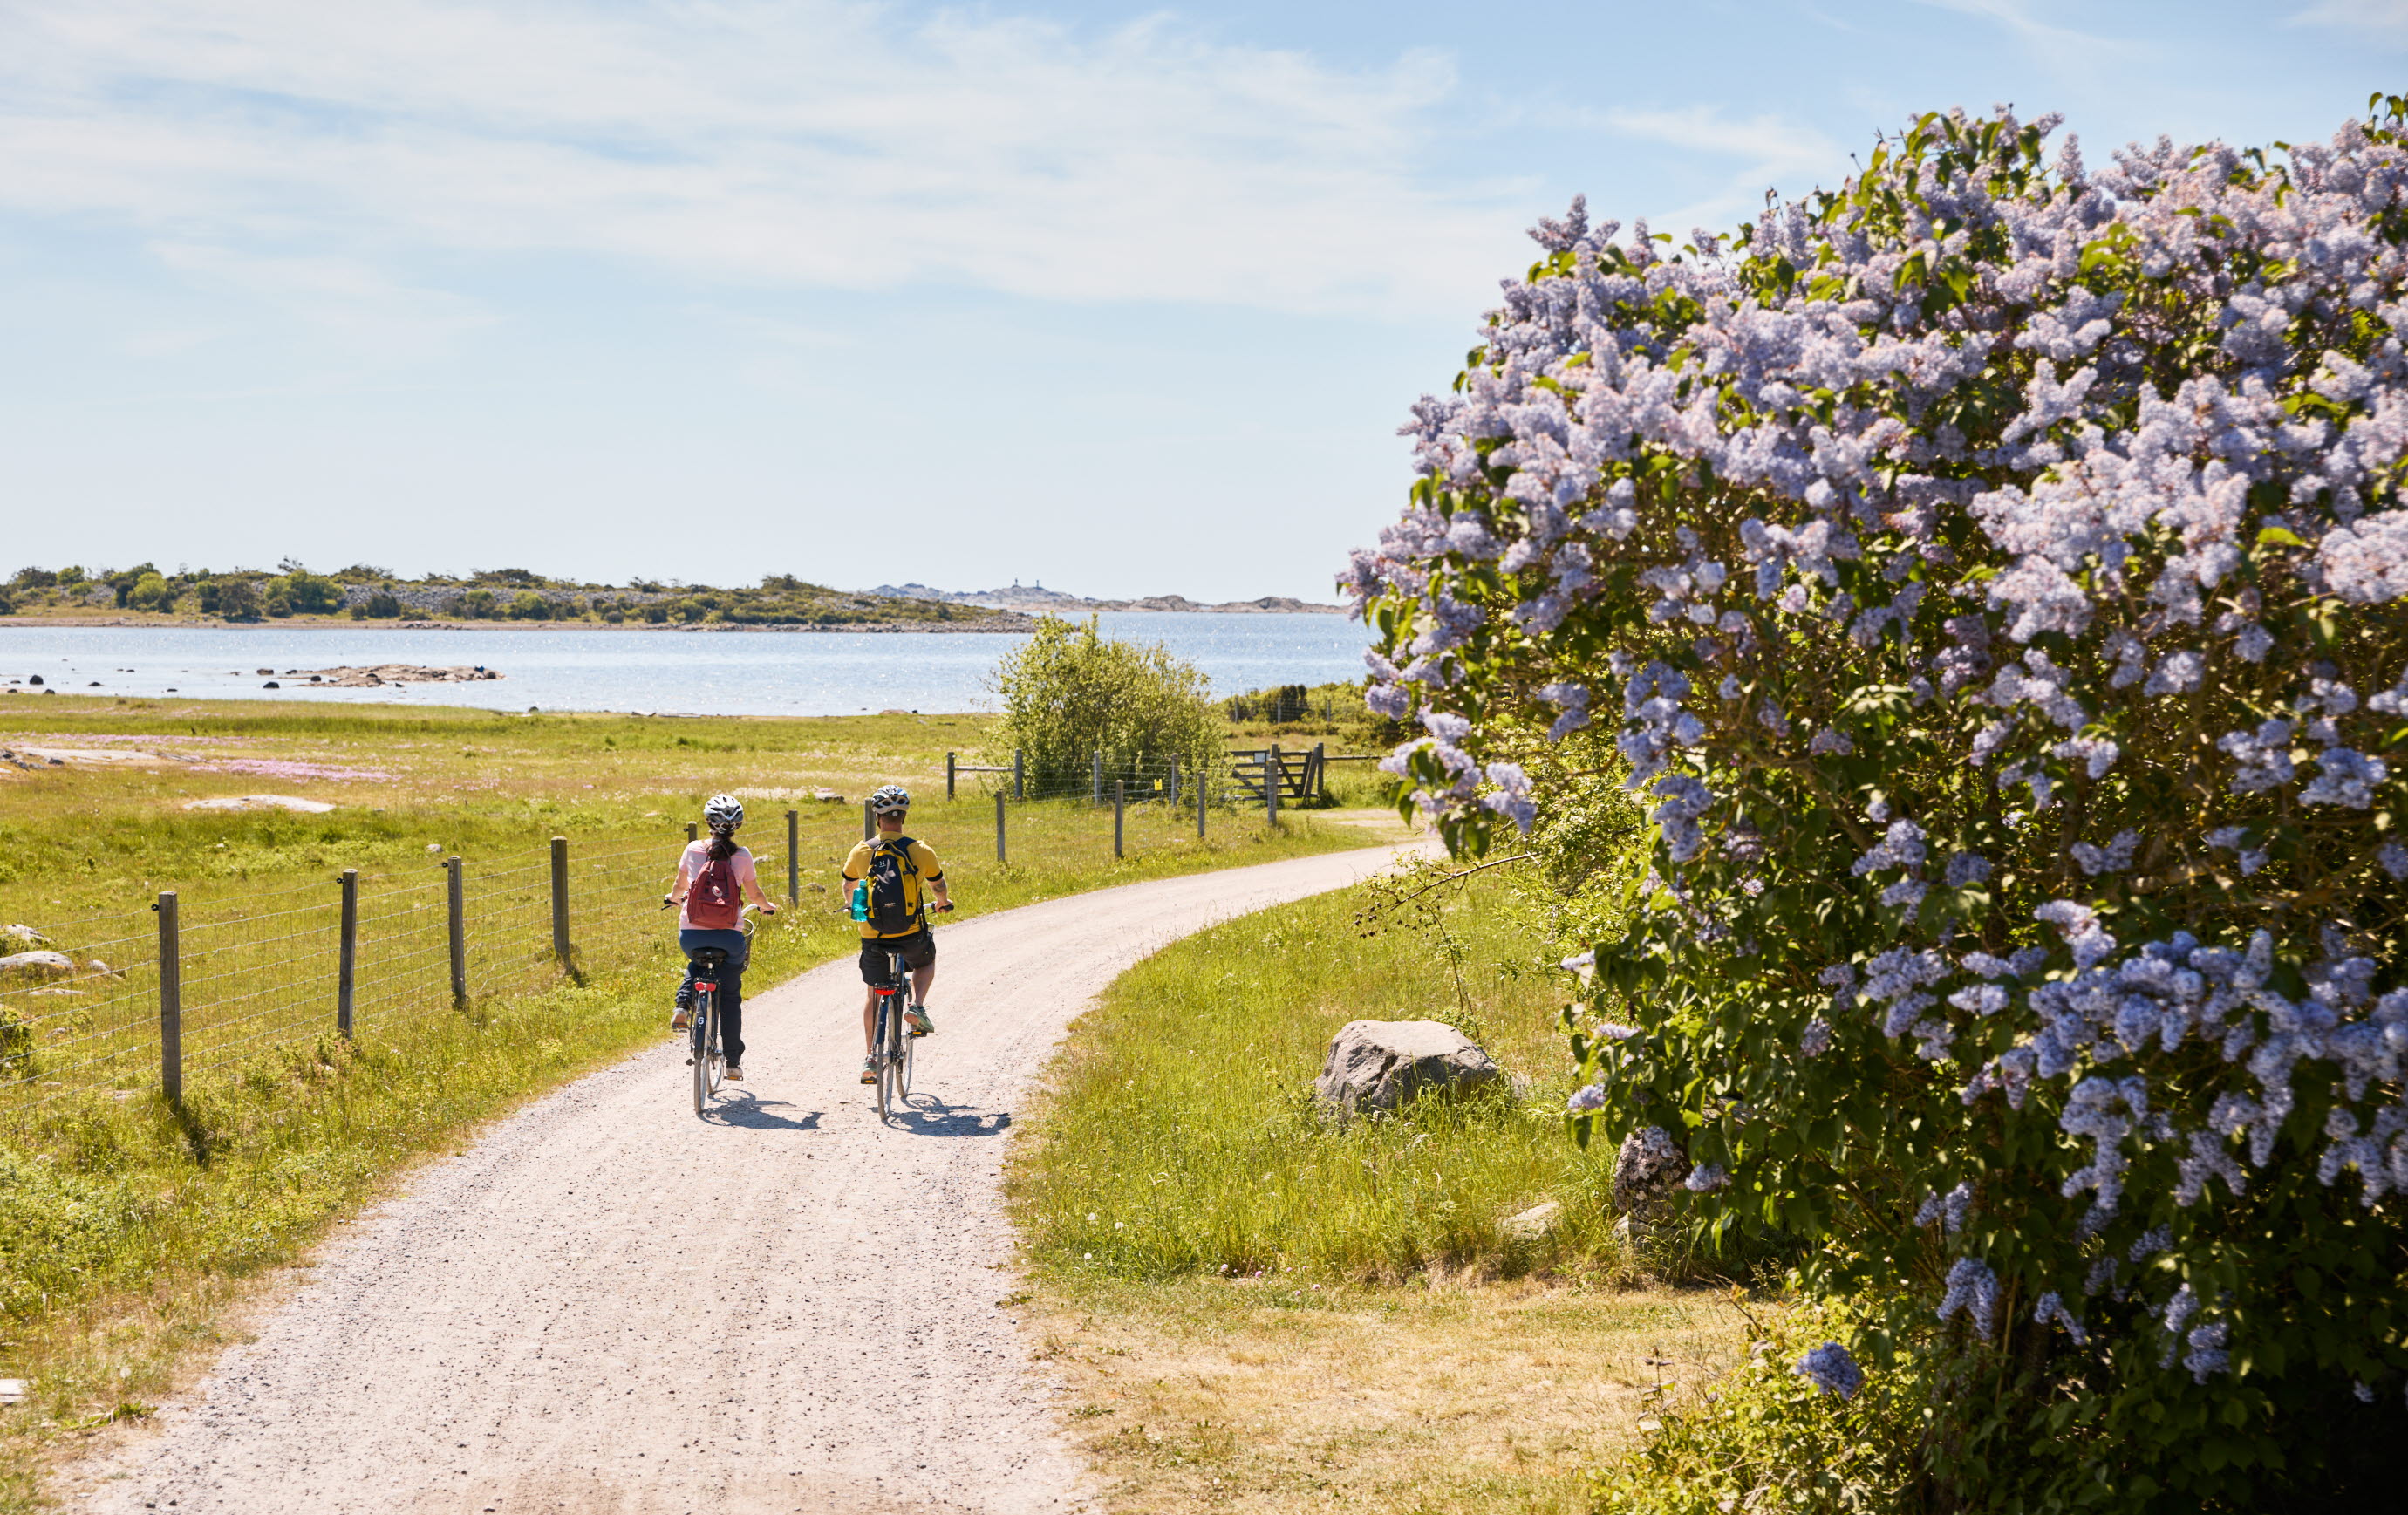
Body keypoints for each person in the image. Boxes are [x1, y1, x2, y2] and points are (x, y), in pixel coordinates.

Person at [842, 783, 952, 1084]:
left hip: (873, 934)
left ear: (877, 817)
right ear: (903, 816)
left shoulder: (861, 850)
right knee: (925, 960)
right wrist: (942, 903)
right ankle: (916, 1006)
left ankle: (870, 1057)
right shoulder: (920, 850)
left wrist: (855, 909)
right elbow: (938, 886)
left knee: (873, 992)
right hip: (910, 931)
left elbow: (849, 886)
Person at [665, 794, 777, 1081]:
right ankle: (732, 1063)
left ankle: (682, 1005)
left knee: (695, 965)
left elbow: (679, 885)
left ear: (707, 822)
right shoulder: (743, 856)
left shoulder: (692, 849)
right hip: (729, 936)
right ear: (737, 825)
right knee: (729, 996)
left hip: (691, 933)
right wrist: (766, 908)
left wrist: (673, 898)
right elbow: (755, 895)